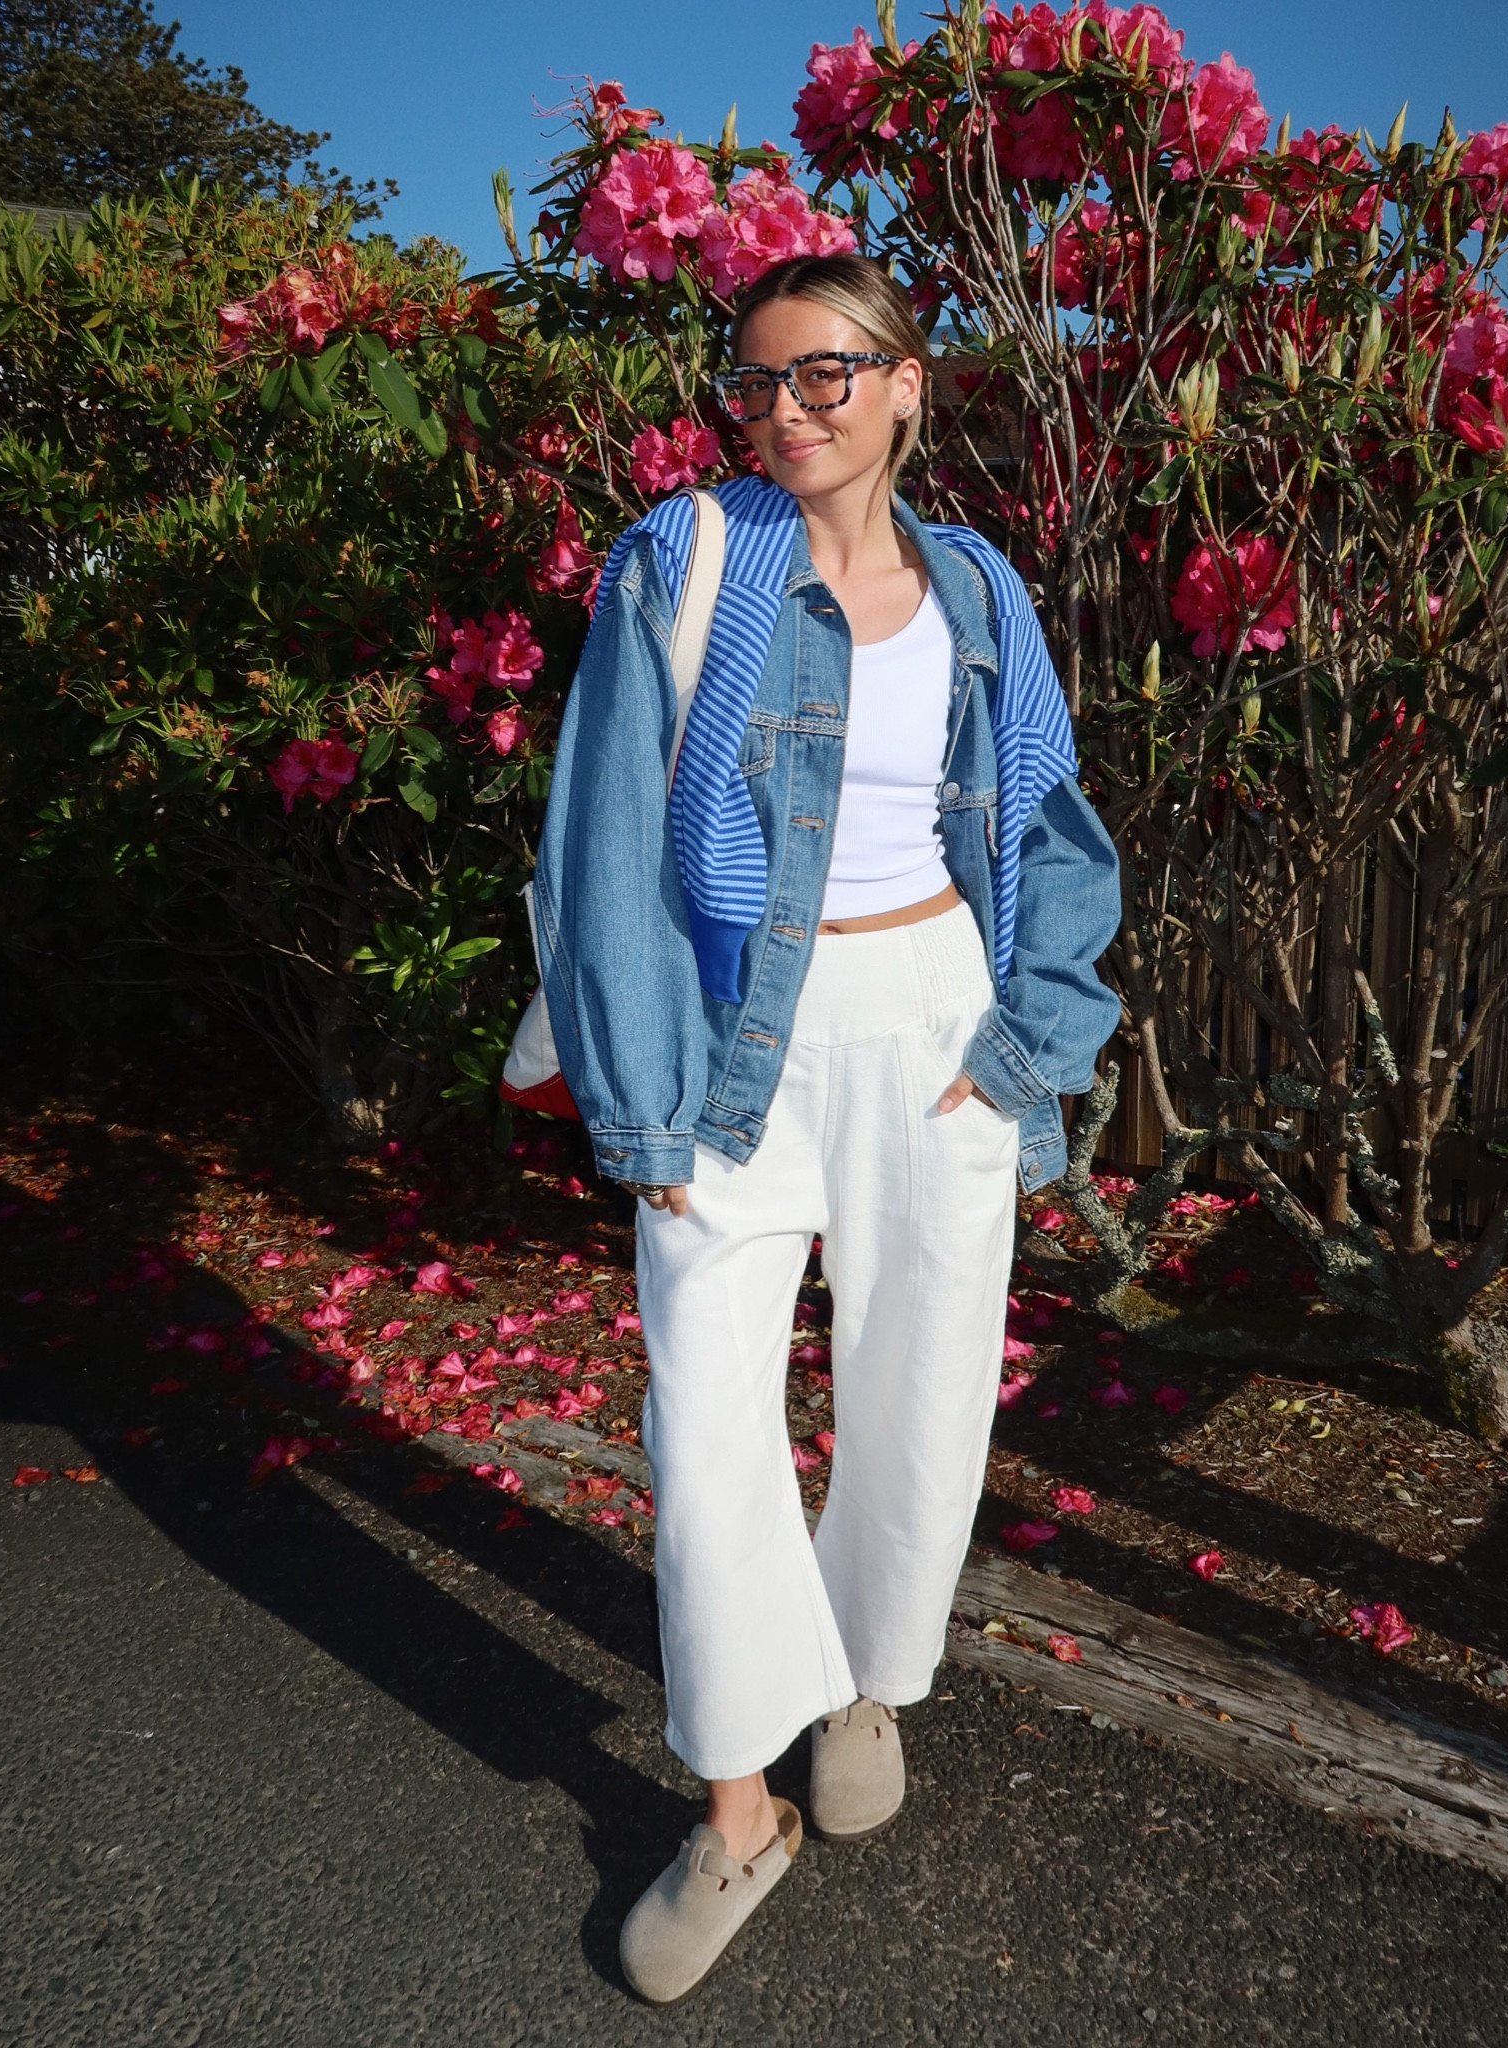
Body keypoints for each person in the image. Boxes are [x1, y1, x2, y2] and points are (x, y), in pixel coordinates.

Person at [533, 252, 1120, 2006]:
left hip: (931, 1023)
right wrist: (643, 1100)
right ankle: (736, 1808)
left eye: (827, 375)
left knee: (920, 1395)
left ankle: (862, 1683)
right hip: (735, 1050)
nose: (788, 408)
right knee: (708, 1416)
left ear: (909, 384)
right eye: (762, 380)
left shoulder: (978, 589)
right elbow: (603, 849)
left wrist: (1031, 1044)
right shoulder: (685, 560)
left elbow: (1051, 824)